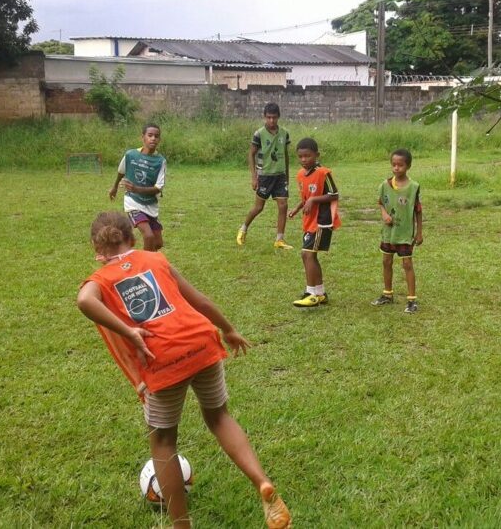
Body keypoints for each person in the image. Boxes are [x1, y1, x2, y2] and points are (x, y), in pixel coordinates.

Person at [77, 212, 291, 529]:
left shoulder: (101, 280)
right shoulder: (156, 260)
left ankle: (181, 525)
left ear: (97, 249)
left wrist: (129, 331)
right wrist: (229, 330)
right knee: (219, 416)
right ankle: (262, 482)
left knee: (163, 443)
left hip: (162, 358)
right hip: (202, 342)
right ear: (132, 239)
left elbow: (84, 301)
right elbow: (200, 301)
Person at [288, 138, 340, 307]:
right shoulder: (300, 175)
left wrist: (313, 200)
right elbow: (305, 198)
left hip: (322, 221)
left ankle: (311, 293)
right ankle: (320, 292)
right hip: (309, 221)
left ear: (316, 155)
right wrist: (297, 208)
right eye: (300, 157)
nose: (304, 160)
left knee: (308, 254)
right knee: (308, 254)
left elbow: (334, 195)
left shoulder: (323, 173)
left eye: (307, 156)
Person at [371, 149, 424, 314]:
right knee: (386, 262)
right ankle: (387, 294)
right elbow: (380, 203)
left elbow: (418, 210)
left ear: (408, 166)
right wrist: (384, 213)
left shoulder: (413, 187)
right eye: (393, 164)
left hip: (404, 234)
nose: (396, 168)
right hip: (388, 233)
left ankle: (411, 300)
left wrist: (419, 232)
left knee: (407, 264)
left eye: (400, 165)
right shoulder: (385, 185)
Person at [236, 103, 293, 249]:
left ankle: (279, 239)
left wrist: (287, 175)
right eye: (269, 117)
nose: (272, 121)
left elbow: (286, 155)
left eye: (274, 117)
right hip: (265, 176)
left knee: (283, 205)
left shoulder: (284, 133)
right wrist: (254, 176)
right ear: (264, 117)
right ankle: (243, 229)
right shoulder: (259, 134)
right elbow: (251, 154)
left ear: (278, 117)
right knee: (259, 207)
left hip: (280, 176)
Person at [109, 123, 166, 251]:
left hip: (150, 204)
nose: (153, 139)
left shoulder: (160, 161)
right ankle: (145, 267)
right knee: (149, 236)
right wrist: (115, 187)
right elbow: (121, 171)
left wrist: (136, 188)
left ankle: (150, 261)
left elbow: (158, 188)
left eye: (156, 136)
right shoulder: (131, 155)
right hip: (133, 201)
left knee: (157, 243)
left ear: (159, 140)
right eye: (150, 135)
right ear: (143, 137)